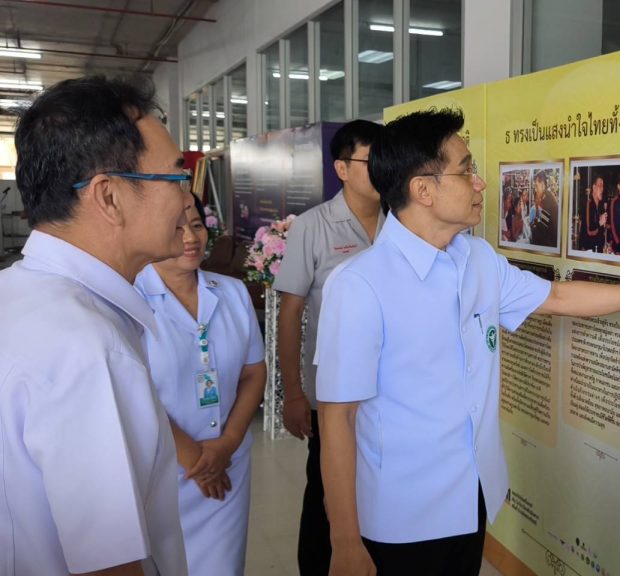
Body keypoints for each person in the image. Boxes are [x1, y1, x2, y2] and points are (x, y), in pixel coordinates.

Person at [315, 108, 620, 576]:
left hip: (470, 497)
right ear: (423, 190)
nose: (480, 183)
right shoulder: (360, 285)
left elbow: (556, 296)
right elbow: (337, 417)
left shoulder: (476, 258)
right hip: (399, 516)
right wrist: (345, 541)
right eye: (466, 170)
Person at [0, 76, 189, 575]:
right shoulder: (89, 348)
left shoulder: (15, 295)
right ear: (108, 197)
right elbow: (109, 564)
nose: (188, 200)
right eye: (176, 177)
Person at [273, 119, 384, 575]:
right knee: (326, 493)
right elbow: (290, 313)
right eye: (371, 160)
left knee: (377, 490)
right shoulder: (313, 226)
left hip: (387, 392)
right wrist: (294, 393)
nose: (383, 168)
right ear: (342, 168)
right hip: (333, 394)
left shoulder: (402, 222)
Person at [135, 194, 267, 575]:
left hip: (227, 466)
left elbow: (253, 372)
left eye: (196, 225)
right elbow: (134, 393)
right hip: (162, 471)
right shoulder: (130, 300)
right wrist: (196, 459)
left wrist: (228, 443)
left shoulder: (232, 292)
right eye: (176, 228)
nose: (191, 238)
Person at [529, 169, 558, 247]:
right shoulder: (547, 196)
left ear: (542, 184)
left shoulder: (547, 199)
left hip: (550, 242)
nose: (535, 189)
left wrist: (533, 224)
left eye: (536, 186)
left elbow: (543, 226)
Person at [580, 175, 607, 252]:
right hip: (588, 249)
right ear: (594, 187)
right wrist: (600, 222)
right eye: (600, 185)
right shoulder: (588, 204)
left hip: (598, 247)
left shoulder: (600, 206)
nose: (602, 189)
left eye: (603, 186)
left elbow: (602, 230)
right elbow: (589, 230)